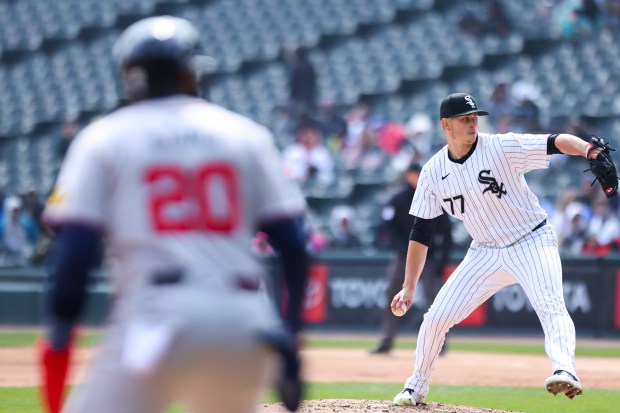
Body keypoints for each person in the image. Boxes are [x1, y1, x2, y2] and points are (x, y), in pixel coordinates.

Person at [39, 16, 309, 413]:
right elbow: (293, 245)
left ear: (130, 76)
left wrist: (60, 338)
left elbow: (75, 252)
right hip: (243, 321)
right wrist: (291, 334)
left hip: (155, 318)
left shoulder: (105, 136)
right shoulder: (245, 135)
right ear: (193, 71)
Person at [391, 92, 609, 406]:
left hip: (531, 239)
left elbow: (555, 141)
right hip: (485, 252)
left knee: (550, 304)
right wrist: (409, 286)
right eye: (464, 119)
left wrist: (587, 148)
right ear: (445, 125)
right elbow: (421, 231)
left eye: (474, 117)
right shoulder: (432, 172)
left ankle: (565, 370)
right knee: (436, 317)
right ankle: (415, 387)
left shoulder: (500, 147)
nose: (472, 123)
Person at [370, 162, 452, 354]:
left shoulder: (434, 198)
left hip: (429, 257)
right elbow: (387, 227)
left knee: (435, 300)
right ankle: (387, 339)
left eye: (419, 174)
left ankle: (438, 343)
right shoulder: (398, 199)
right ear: (408, 176)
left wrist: (443, 259)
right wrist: (403, 247)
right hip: (402, 258)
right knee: (393, 294)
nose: (417, 177)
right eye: (414, 174)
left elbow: (447, 233)